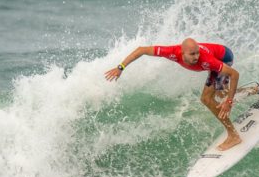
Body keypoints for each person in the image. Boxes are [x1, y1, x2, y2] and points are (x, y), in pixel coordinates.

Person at [104, 38, 242, 151]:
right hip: (218, 55)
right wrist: (120, 67)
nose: (196, 57)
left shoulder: (206, 60)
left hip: (224, 57)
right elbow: (142, 50)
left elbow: (234, 73)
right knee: (221, 93)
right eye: (192, 54)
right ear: (182, 53)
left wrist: (229, 102)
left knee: (207, 98)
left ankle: (233, 136)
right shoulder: (171, 52)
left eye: (197, 53)